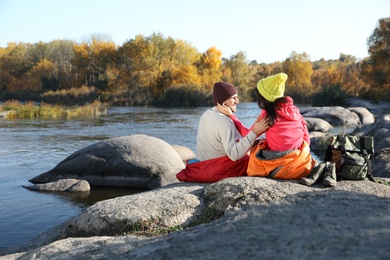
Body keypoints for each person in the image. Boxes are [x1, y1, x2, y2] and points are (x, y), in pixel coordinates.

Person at [220, 73, 335, 185]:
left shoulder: (268, 114)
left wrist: (232, 117)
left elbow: (247, 134)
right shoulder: (295, 111)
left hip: (276, 166)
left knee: (257, 144)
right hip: (297, 166)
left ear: (264, 97)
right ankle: (326, 169)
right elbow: (306, 140)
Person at [176, 81, 269, 183]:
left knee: (250, 146)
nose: (237, 101)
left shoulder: (206, 114)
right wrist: (255, 132)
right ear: (224, 102)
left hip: (203, 164)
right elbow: (234, 155)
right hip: (221, 169)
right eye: (234, 98)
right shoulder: (225, 121)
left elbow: (242, 135)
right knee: (256, 154)